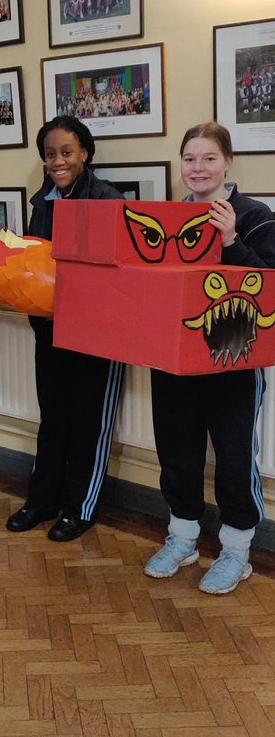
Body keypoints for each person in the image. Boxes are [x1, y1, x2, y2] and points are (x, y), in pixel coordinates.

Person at [145, 121, 275, 593]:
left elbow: (268, 285)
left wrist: (231, 241)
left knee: (236, 457)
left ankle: (237, 552)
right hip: (174, 360)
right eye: (189, 159)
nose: (197, 168)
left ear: (228, 162)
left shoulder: (255, 214)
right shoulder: (166, 217)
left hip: (233, 361)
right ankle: (182, 538)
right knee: (177, 451)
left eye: (208, 158)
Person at [6, 116, 125, 542]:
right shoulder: (42, 202)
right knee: (52, 418)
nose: (58, 161)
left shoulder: (107, 200)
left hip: (96, 337)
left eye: (67, 152)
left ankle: (79, 508)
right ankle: (42, 501)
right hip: (50, 332)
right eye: (50, 153)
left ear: (85, 154)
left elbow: (117, 275)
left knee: (86, 422)